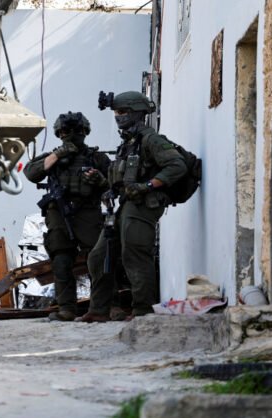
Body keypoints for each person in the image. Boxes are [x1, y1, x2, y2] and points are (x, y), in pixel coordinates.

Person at [82, 91, 188, 322]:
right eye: (116, 112)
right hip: (124, 205)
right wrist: (104, 183)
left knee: (135, 254)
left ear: (136, 113)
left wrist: (147, 186)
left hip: (143, 205)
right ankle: (99, 310)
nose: (118, 117)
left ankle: (143, 310)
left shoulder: (151, 140)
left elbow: (177, 166)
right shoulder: (128, 144)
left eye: (122, 112)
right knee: (98, 257)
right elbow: (122, 180)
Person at [23, 112, 111, 322]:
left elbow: (114, 185)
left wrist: (100, 181)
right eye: (65, 131)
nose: (72, 135)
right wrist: (58, 155)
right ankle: (67, 308)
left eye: (77, 130)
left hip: (88, 212)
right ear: (59, 134)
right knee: (61, 260)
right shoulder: (53, 157)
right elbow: (31, 173)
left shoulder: (97, 158)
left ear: (85, 132)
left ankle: (104, 307)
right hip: (59, 213)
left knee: (98, 259)